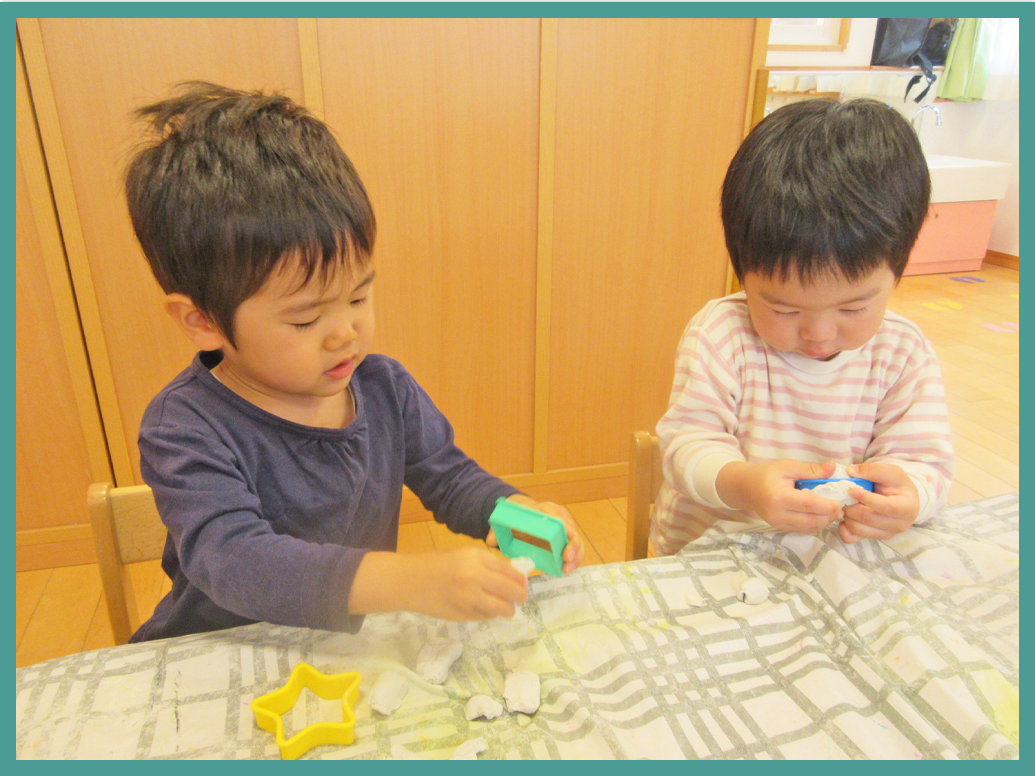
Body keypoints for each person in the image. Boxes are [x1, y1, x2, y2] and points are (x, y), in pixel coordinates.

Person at [123, 82, 584, 642]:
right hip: (218, 648)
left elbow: (451, 479)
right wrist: (409, 580)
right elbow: (236, 559)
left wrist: (517, 510)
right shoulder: (184, 426)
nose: (345, 334)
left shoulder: (385, 388)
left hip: (341, 646)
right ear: (202, 321)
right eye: (304, 319)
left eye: (359, 297)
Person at [652, 98, 954, 554]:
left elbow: (925, 465)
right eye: (785, 310)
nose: (820, 333)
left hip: (836, 553)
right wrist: (745, 485)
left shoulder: (901, 352)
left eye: (853, 308)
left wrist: (910, 496)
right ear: (742, 275)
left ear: (898, 271)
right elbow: (685, 446)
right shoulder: (721, 335)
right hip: (712, 554)